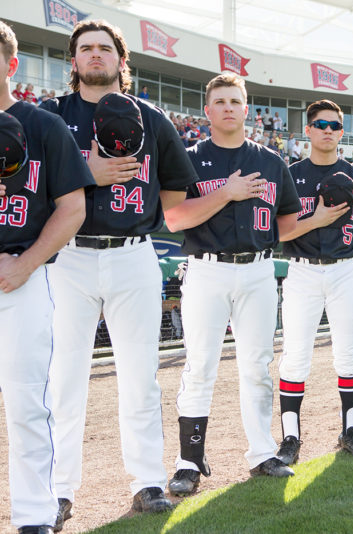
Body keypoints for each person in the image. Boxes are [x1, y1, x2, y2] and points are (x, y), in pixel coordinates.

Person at [41, 19, 198, 523]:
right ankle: (57, 490)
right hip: (68, 255)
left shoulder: (152, 118)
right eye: (84, 49)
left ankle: (147, 481)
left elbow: (175, 190)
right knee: (63, 379)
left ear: (121, 61)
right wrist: (87, 173)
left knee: (139, 376)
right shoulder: (49, 116)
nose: (94, 56)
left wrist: (141, 214)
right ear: (73, 61)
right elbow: (29, 186)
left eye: (104, 49)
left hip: (133, 253)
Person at [163, 73, 301, 497]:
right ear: (206, 111)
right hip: (207, 268)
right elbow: (174, 219)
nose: (227, 107)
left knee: (257, 365)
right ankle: (189, 460)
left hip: (258, 269)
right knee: (200, 364)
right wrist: (227, 193)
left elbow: (289, 222)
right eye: (219, 101)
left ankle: (261, 452)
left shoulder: (272, 160)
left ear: (247, 109)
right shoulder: (187, 158)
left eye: (234, 101)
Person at [0, 21, 94, 533]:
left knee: (26, 401)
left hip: (21, 280)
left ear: (11, 65)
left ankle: (34, 515)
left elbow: (72, 207)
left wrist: (26, 262)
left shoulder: (42, 125)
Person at [272, 99, 353, 467]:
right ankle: (291, 437)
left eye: (335, 126)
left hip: (346, 269)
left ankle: (350, 430)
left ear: (342, 132)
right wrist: (318, 220)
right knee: (295, 354)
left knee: (350, 351)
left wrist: (350, 250)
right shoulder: (289, 173)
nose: (327, 131)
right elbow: (279, 231)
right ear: (307, 130)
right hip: (302, 269)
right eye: (320, 124)